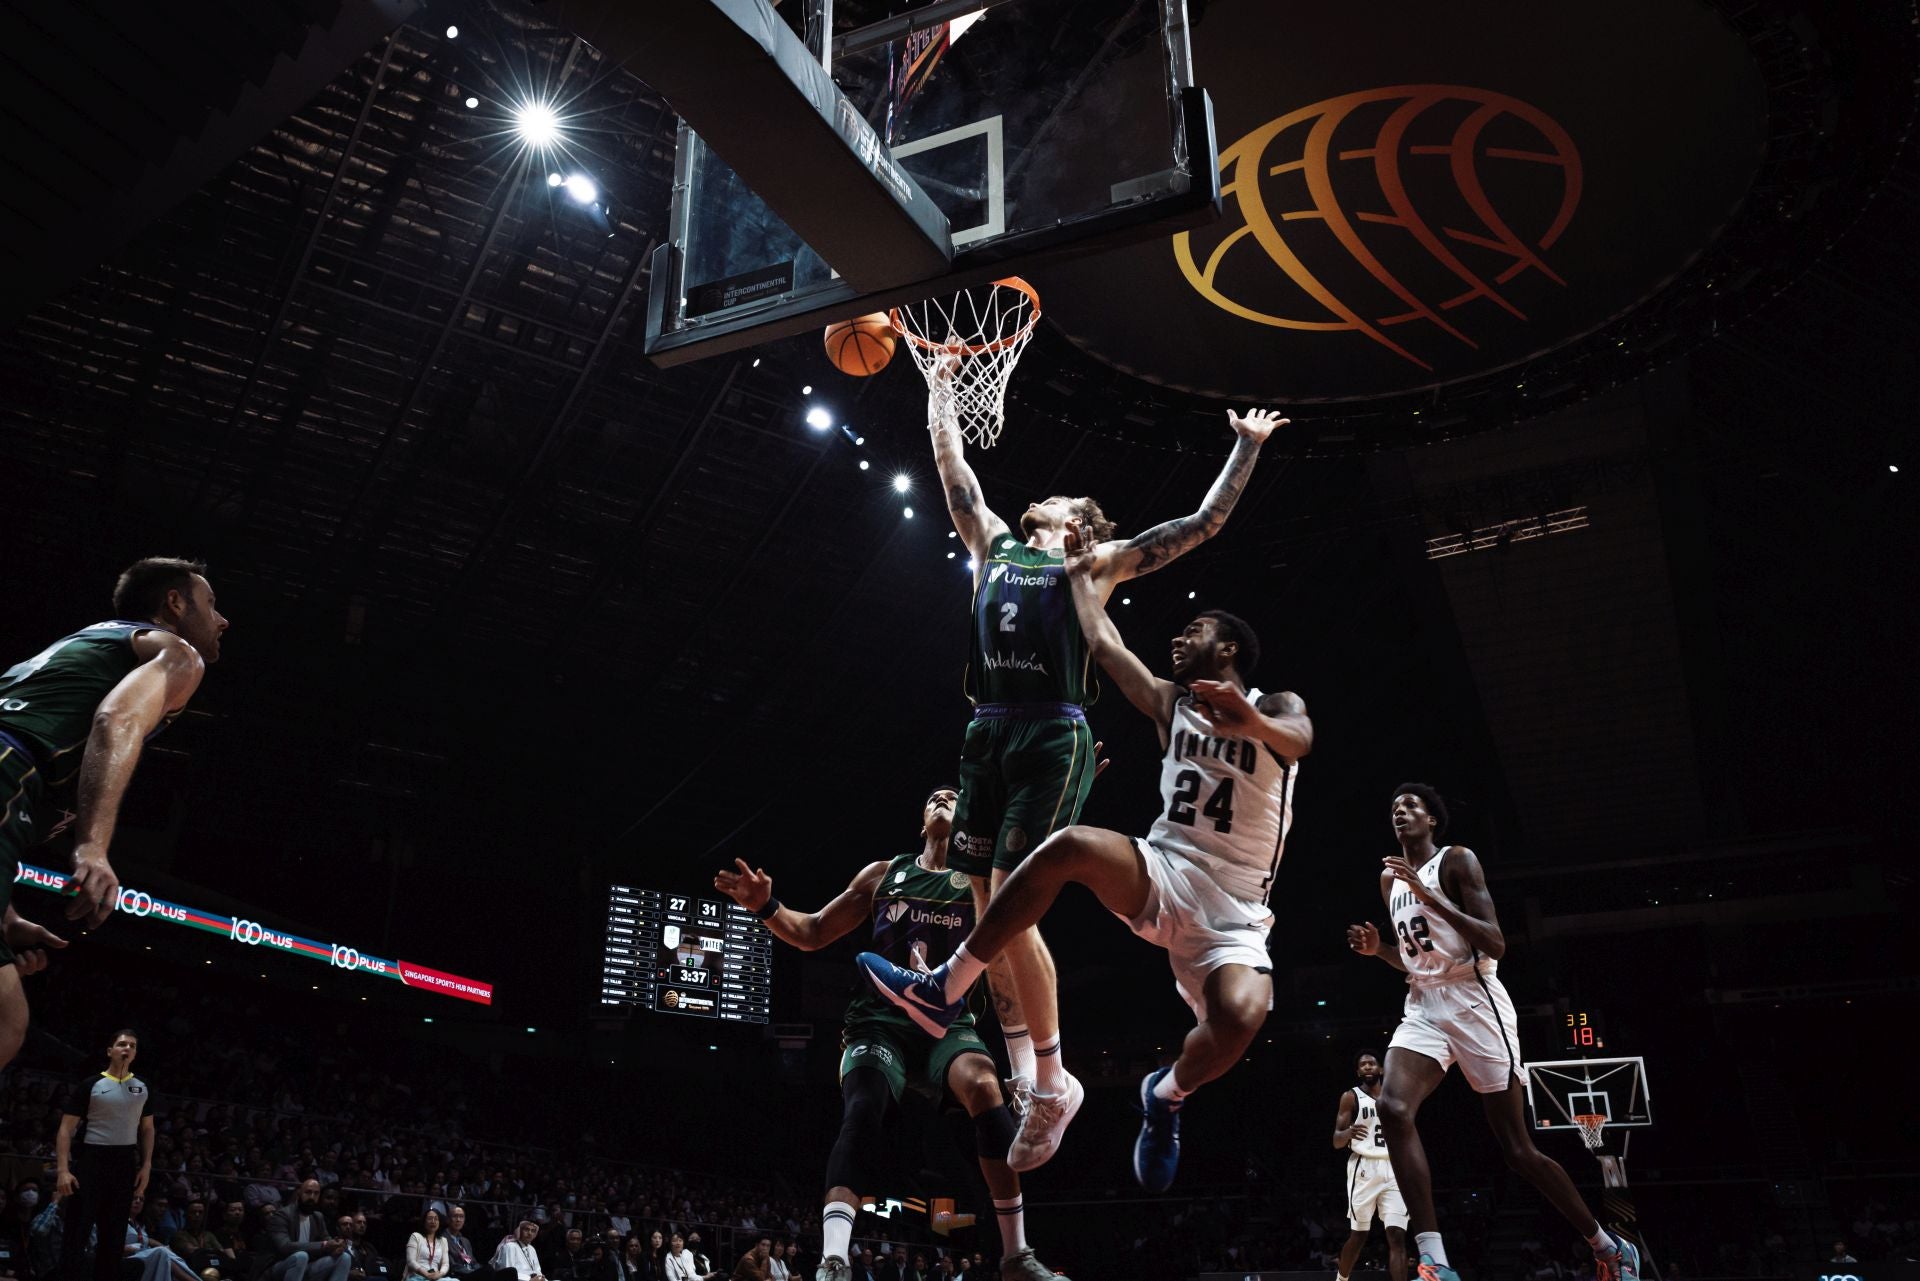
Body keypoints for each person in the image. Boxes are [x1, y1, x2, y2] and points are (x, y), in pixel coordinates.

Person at [923, 350, 1288, 1166]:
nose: (1035, 497)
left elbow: (1199, 526)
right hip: (986, 726)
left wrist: (1244, 448)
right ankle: (1030, 1074)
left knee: (1020, 890)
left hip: (1053, 725)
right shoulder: (993, 543)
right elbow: (954, 475)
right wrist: (940, 383)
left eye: (1053, 500)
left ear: (1080, 526)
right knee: (986, 898)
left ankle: (1053, 1075)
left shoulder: (1094, 563)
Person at [860, 567, 1309, 1190]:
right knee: (1067, 845)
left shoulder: (1273, 705)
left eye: (1194, 630)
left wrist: (1251, 723)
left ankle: (1166, 1096)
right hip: (1166, 868)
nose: (1178, 640)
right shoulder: (1172, 704)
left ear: (1229, 649)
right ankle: (946, 984)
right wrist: (1078, 576)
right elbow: (1103, 644)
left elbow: (1301, 740)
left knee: (1240, 1018)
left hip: (1235, 908)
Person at [716, 787, 1062, 1281]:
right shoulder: (884, 875)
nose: (944, 798)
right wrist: (767, 906)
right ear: (923, 819)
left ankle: (1016, 1256)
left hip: (948, 1024)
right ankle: (833, 1260)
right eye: (934, 797)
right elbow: (812, 931)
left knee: (987, 1090)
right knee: (863, 1108)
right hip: (880, 1021)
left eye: (955, 796)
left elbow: (1024, 901)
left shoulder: (980, 883)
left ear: (967, 817)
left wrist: (1058, 798)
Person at [1345, 785, 1640, 1281]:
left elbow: (1495, 943)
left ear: (1433, 819)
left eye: (1411, 805)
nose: (1400, 811)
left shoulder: (1457, 861)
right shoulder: (1387, 880)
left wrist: (1428, 895)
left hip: (1477, 1001)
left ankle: (1607, 1245)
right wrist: (1379, 950)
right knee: (1393, 1109)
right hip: (1423, 1002)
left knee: (1518, 1150)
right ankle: (1435, 1259)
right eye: (1394, 807)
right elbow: (1416, 955)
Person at [0, 559, 229, 1069]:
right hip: (6, 772)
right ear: (175, 602)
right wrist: (93, 845)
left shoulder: (86, 644)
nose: (222, 620)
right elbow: (117, 717)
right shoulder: (178, 653)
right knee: (5, 1022)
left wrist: (7, 917)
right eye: (211, 604)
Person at [57, 1027, 158, 1281]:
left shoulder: (143, 1087)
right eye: (123, 1044)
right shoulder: (91, 1084)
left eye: (133, 1046)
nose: (127, 1049)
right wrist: (63, 1170)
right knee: (76, 1233)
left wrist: (146, 1166)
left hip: (124, 1164)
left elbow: (147, 1129)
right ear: (110, 1051)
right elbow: (66, 1129)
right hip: (91, 1161)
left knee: (113, 1237)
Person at [1335, 1051, 1408, 1281]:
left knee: (1397, 1235)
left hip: (1394, 1167)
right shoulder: (1350, 1096)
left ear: (1381, 1069)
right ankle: (1341, 1279)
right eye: (1362, 1065)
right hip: (1364, 1168)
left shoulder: (1396, 1096)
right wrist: (1347, 1133)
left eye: (1371, 1063)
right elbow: (1336, 1141)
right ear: (1358, 1072)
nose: (1367, 1067)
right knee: (1359, 1234)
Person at [258, 1179, 353, 1281]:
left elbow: (327, 1240)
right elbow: (285, 1247)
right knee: (301, 1256)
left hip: (308, 1267)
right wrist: (324, 1245)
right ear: (299, 1194)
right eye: (308, 1192)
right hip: (280, 1266)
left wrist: (336, 1247)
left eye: (316, 1193)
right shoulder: (282, 1215)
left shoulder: (318, 1217)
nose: (312, 1197)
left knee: (344, 1257)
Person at [408, 1211, 453, 1281]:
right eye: (430, 1218)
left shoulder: (443, 1240)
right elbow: (411, 1261)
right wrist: (427, 1274)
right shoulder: (416, 1236)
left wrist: (440, 1274)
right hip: (417, 1277)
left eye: (436, 1219)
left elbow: (445, 1263)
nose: (433, 1221)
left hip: (435, 1278)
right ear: (424, 1221)